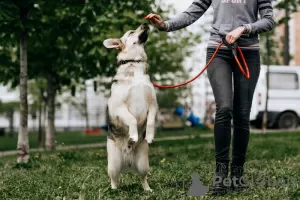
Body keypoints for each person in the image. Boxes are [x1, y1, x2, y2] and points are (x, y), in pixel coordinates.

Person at [145, 0, 275, 195]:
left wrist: (244, 28)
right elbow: (191, 13)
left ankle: (237, 177)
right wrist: (165, 26)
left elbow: (269, 20)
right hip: (219, 50)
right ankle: (220, 178)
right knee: (224, 108)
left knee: (242, 115)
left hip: (248, 53)